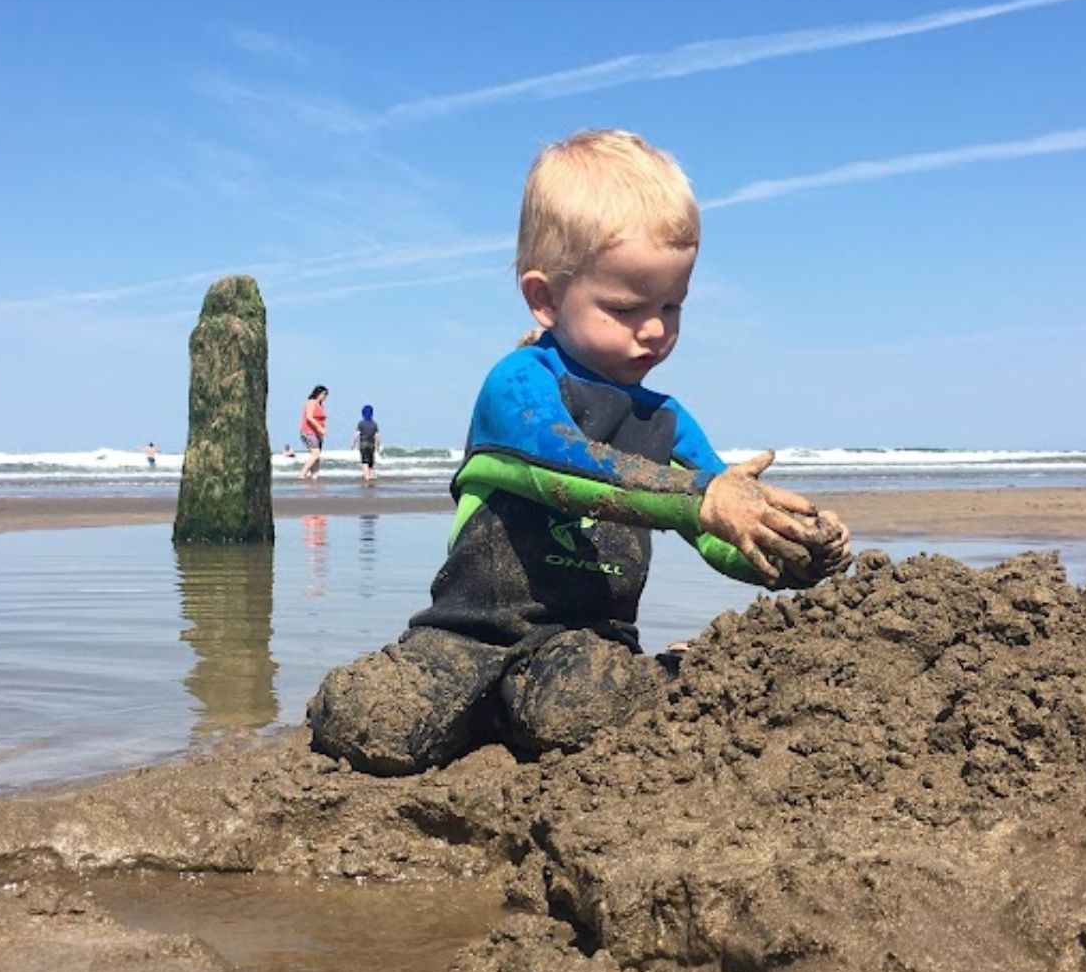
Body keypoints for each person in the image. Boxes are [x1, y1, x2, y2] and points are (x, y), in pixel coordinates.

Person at [308, 128, 850, 775]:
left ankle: (647, 678)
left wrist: (784, 548)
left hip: (584, 647)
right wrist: (702, 498)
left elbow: (712, 535)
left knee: (588, 708)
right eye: (624, 308)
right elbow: (564, 467)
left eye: (671, 306)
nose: (654, 329)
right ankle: (491, 703)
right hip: (465, 634)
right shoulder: (517, 384)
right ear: (544, 298)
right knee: (372, 719)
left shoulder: (667, 421)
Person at [298, 385, 328, 480]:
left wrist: (322, 429)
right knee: (316, 454)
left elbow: (322, 418)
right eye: (324, 394)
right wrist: (319, 427)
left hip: (318, 433)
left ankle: (314, 476)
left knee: (317, 456)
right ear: (318, 393)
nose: (324, 397)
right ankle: (302, 473)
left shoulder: (320, 405)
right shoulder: (311, 402)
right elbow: (309, 417)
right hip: (309, 432)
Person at [351, 404, 381, 485]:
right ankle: (370, 474)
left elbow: (356, 434)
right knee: (371, 461)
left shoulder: (361, 423)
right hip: (371, 445)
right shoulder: (374, 424)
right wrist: (378, 446)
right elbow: (377, 436)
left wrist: (353, 444)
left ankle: (366, 476)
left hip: (363, 444)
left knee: (365, 461)